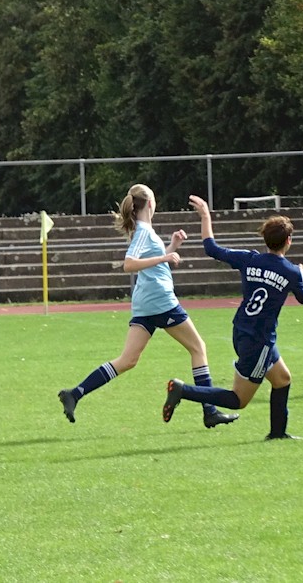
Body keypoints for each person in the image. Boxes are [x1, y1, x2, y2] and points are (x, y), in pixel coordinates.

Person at [57, 183, 239, 429]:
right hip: (160, 301)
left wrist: (171, 247)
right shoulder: (143, 230)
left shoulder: (143, 231)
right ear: (150, 204)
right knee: (198, 348)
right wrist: (165, 256)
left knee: (127, 360)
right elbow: (129, 264)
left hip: (145, 304)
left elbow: (147, 263)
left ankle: (74, 393)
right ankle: (210, 411)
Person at [162, 195, 303, 440]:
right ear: (288, 241)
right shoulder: (292, 271)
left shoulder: (249, 259)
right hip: (260, 341)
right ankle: (182, 390)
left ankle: (277, 433)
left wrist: (206, 216)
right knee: (238, 400)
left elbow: (211, 249)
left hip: (242, 330)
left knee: (282, 379)